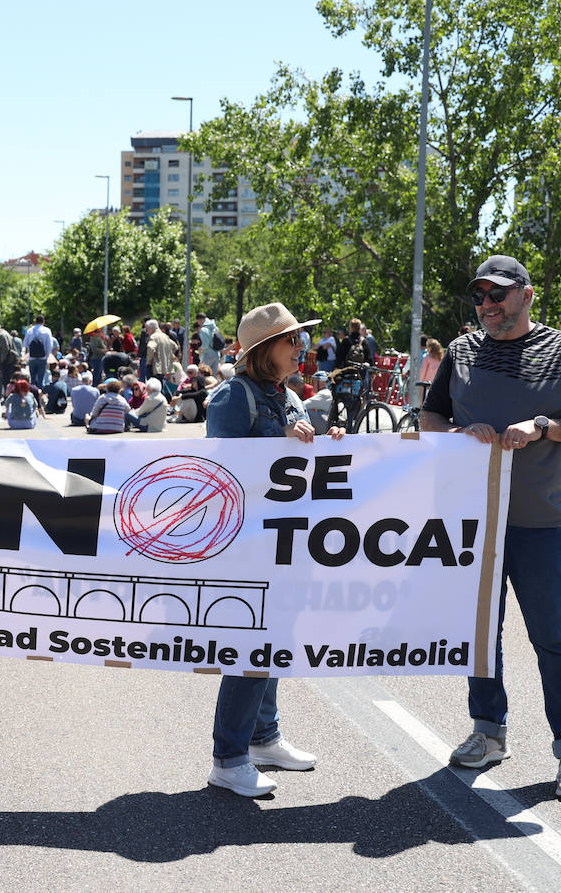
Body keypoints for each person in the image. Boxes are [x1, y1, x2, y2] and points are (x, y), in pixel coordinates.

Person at [420, 255, 561, 802]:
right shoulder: (459, 352)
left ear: (527, 295)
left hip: (539, 522)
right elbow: (429, 420)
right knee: (480, 634)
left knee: (553, 638)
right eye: (479, 296)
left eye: (497, 295)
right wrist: (460, 431)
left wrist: (545, 427)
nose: (486, 305)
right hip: (472, 521)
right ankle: (488, 732)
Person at [203, 302, 344, 796]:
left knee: (274, 641)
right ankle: (229, 757)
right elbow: (219, 471)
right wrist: (279, 441)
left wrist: (327, 445)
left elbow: (296, 462)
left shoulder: (287, 395)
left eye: (301, 340)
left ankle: (263, 738)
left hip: (286, 541)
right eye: (292, 341)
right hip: (249, 545)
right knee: (249, 646)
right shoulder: (231, 397)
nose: (300, 348)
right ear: (265, 350)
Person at [23, 314, 53, 389]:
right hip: (42, 358)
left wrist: (31, 350)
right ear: (43, 322)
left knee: (32, 379)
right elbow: (50, 345)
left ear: (35, 322)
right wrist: (47, 355)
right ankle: (40, 395)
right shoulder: (47, 330)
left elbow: (25, 344)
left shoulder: (30, 330)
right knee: (41, 379)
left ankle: (33, 393)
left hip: (32, 357)